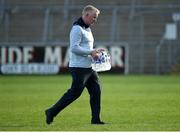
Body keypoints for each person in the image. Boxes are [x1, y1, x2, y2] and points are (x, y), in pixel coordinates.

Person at [45, 5, 105, 125]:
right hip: (79, 68)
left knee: (96, 91)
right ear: (86, 15)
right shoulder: (77, 29)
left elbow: (86, 47)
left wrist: (95, 50)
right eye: (94, 17)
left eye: (96, 17)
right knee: (74, 93)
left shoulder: (87, 28)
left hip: (89, 68)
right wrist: (90, 52)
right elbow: (74, 48)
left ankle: (96, 120)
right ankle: (51, 112)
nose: (95, 20)